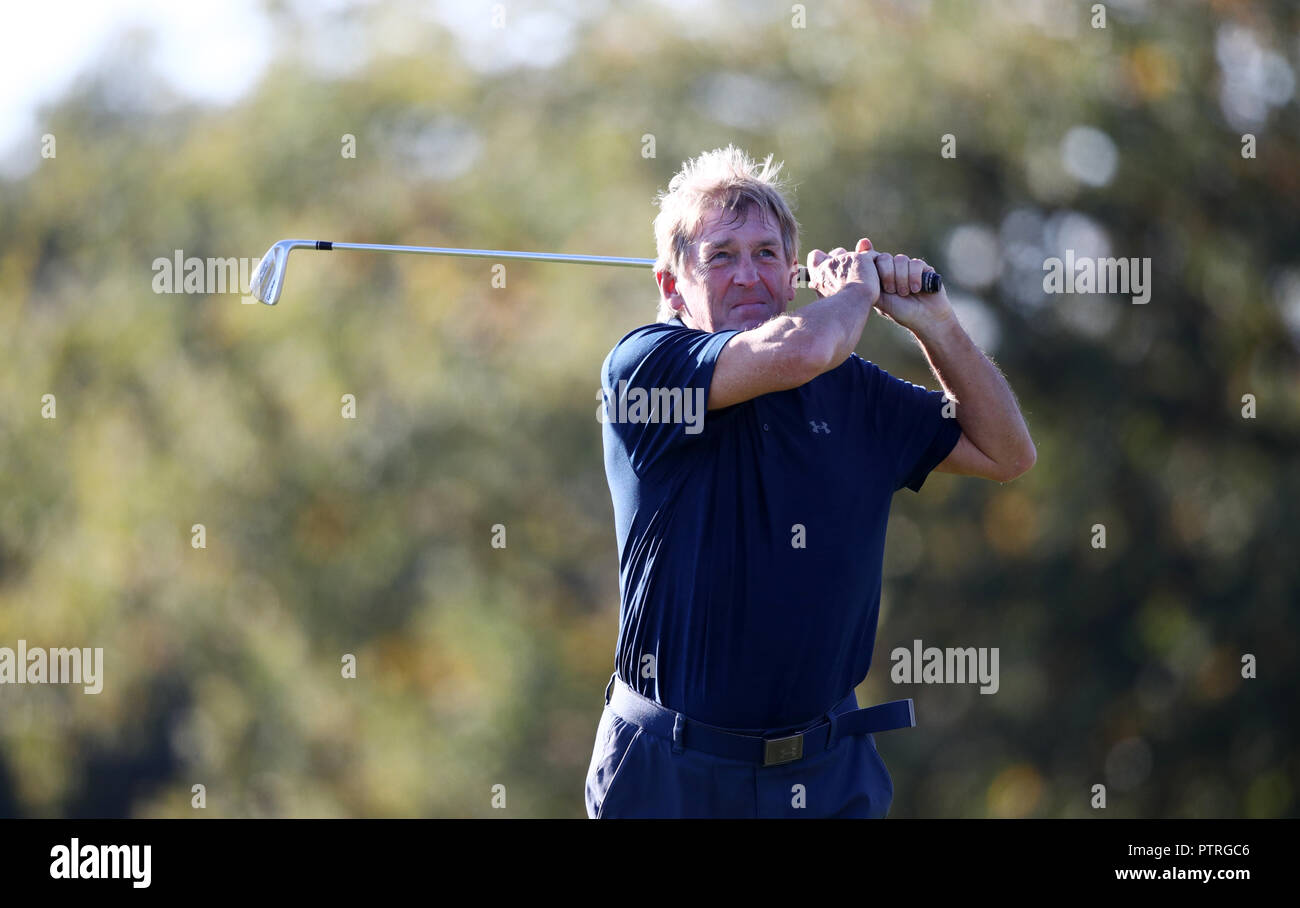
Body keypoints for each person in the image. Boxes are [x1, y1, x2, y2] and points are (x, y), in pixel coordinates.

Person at [586, 146, 1035, 818]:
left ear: (791, 275)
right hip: (671, 775)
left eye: (766, 254)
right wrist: (859, 289)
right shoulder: (645, 370)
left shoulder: (850, 389)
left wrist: (936, 324)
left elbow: (1006, 451)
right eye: (721, 256)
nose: (747, 275)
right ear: (672, 285)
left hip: (827, 776)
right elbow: (799, 350)